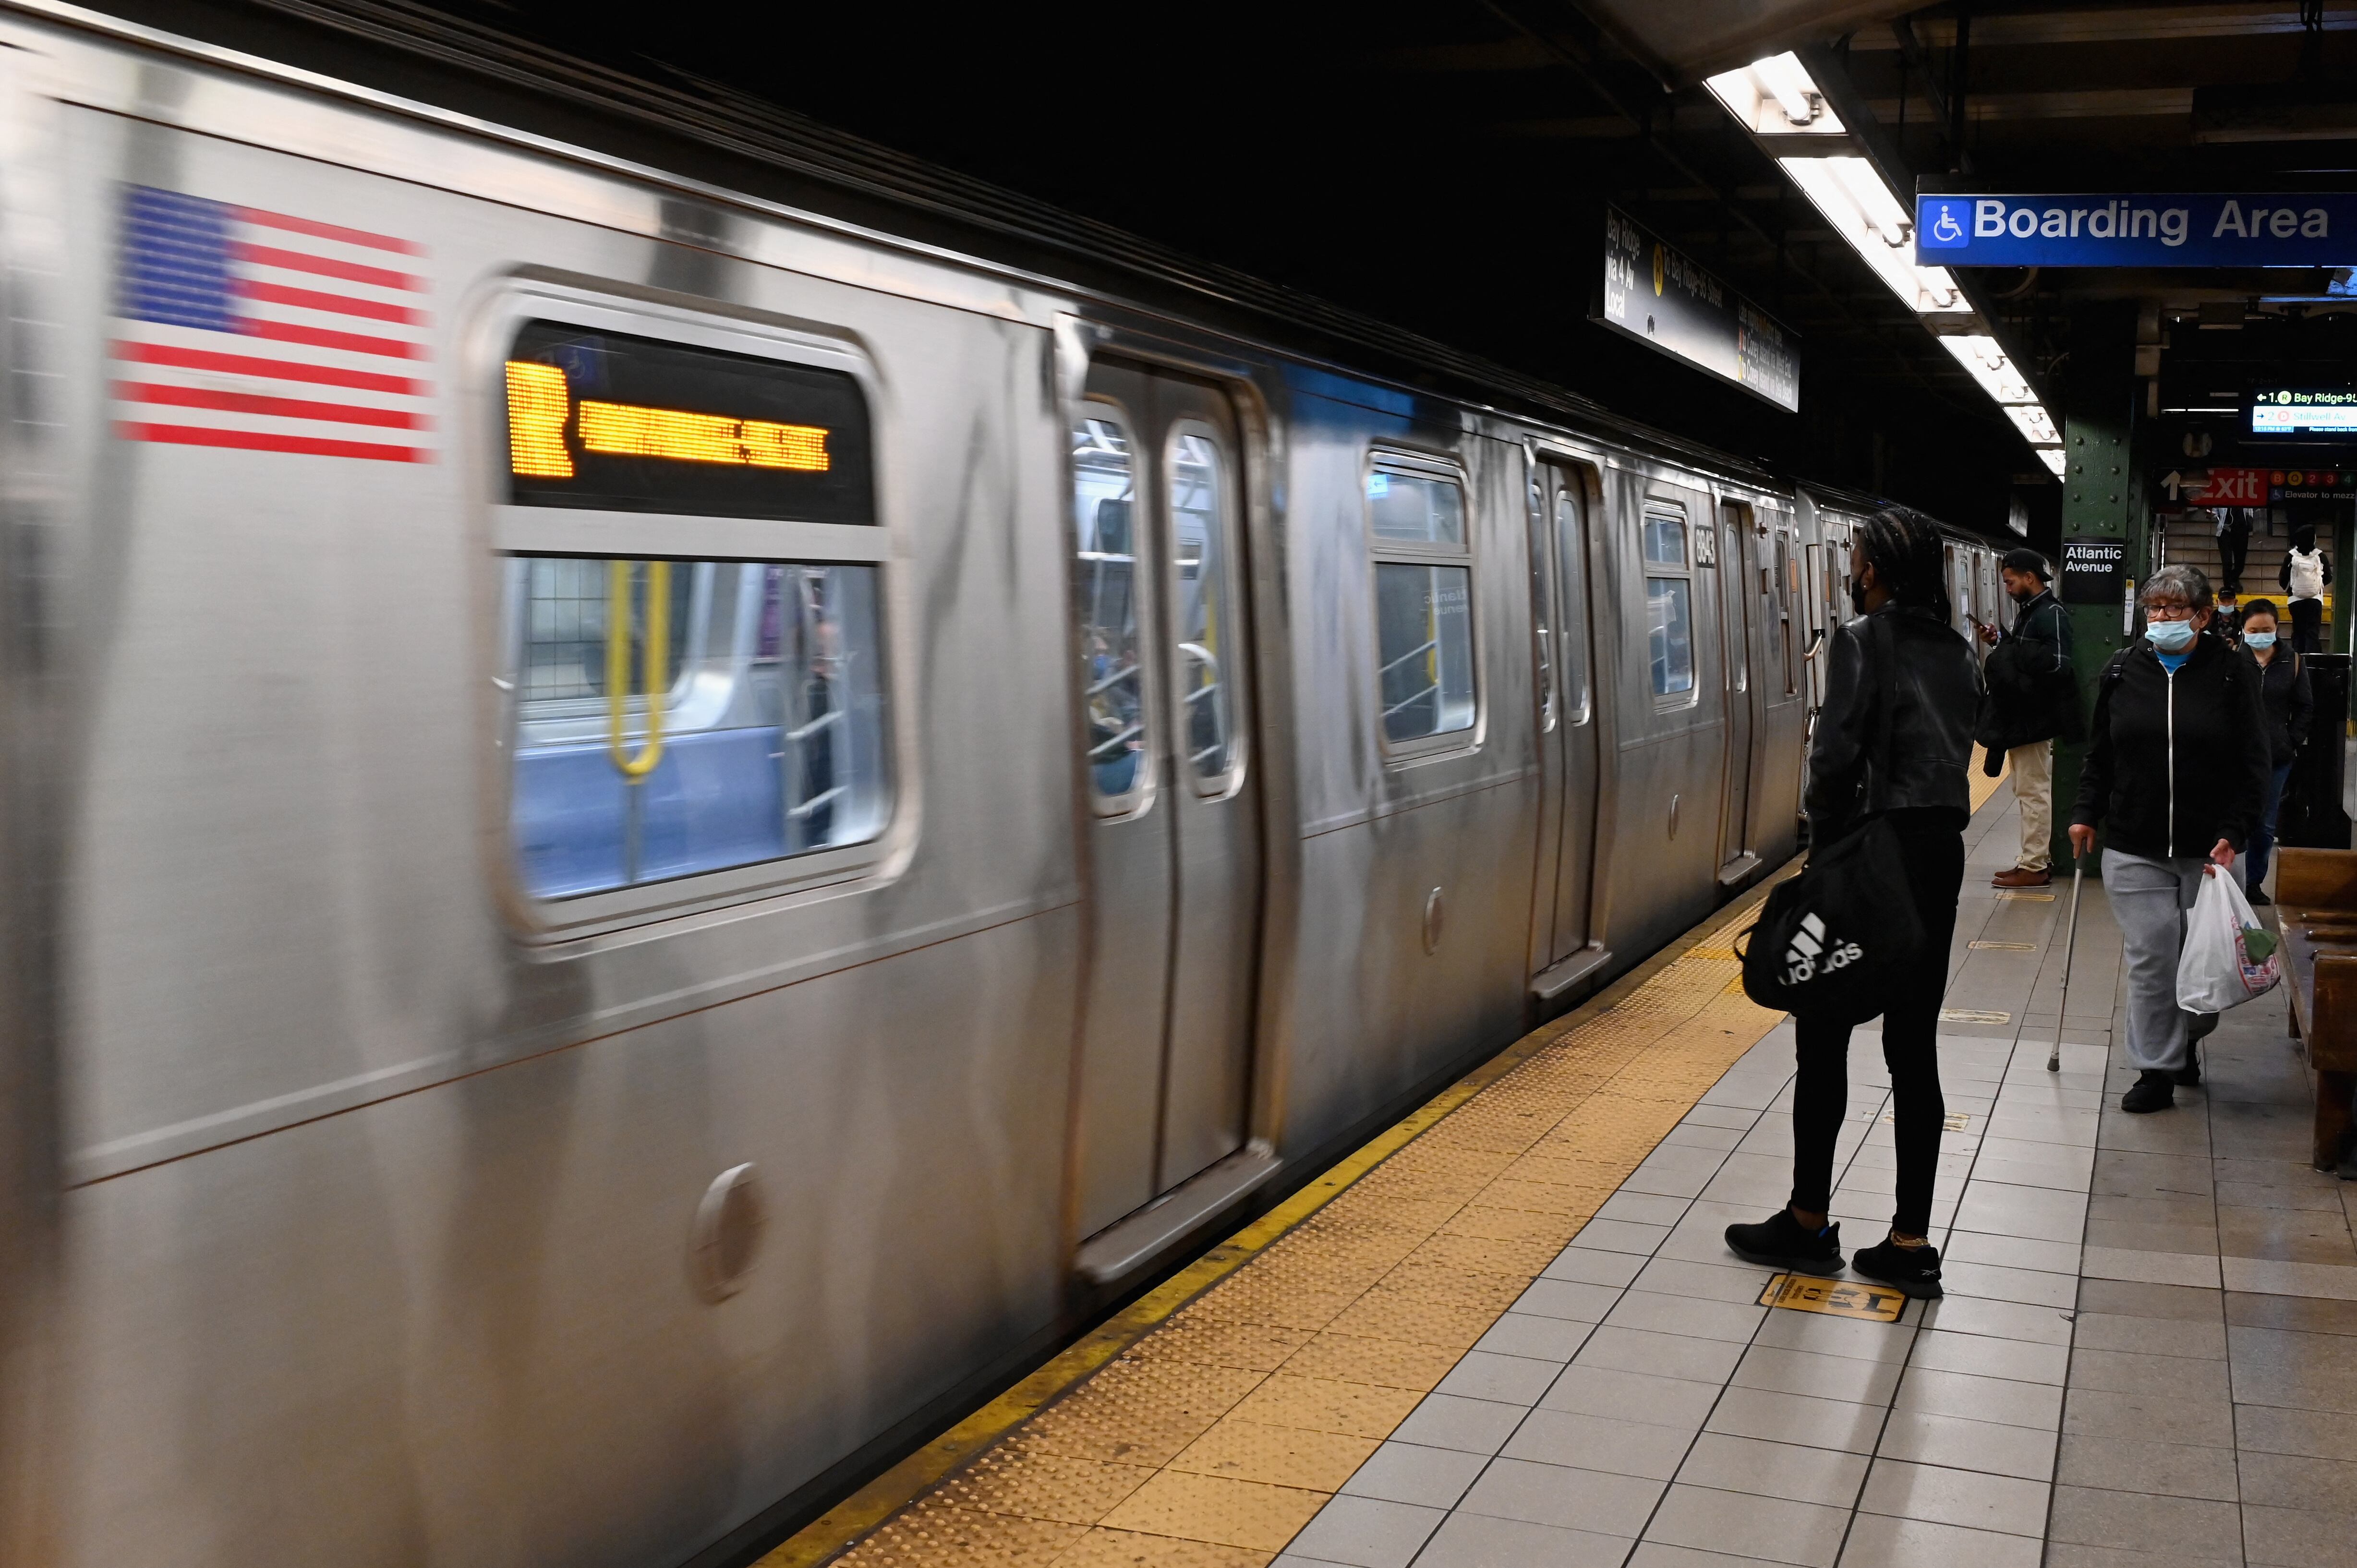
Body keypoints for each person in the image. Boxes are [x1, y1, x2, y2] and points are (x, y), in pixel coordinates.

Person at [1727, 507, 1982, 1300]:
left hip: (1868, 855)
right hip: (1935, 856)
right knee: (1913, 1049)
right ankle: (1908, 1240)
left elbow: (1833, 755)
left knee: (1822, 1034)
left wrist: (1821, 848)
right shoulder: (1956, 649)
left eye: (1854, 555)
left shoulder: (1859, 639)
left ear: (1872, 569)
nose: (1850, 566)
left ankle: (1807, 1223)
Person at [2070, 565, 2269, 1113]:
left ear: (2203, 617)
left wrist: (2234, 830)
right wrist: (2086, 812)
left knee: (2202, 966)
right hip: (2134, 845)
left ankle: (2187, 1037)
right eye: (2153, 608)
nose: (2159, 618)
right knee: (2153, 958)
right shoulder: (2120, 671)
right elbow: (2100, 756)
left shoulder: (2232, 675)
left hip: (2209, 851)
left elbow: (2254, 763)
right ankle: (2154, 1069)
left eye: (2173, 609)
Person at [1974, 548, 2080, 888]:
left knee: (2032, 789)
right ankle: (2033, 858)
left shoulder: (2049, 613)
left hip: (2035, 716)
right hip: (2023, 715)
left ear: (2029, 578)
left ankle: (2034, 866)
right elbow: (2027, 654)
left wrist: (2014, 650)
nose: (2006, 588)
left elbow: (2058, 665)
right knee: (2024, 786)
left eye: (2009, 581)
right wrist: (2002, 640)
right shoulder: (2031, 612)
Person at [2237, 598, 2311, 904]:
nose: (2260, 635)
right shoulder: (2231, 659)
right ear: (2243, 629)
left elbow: (2305, 707)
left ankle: (2253, 882)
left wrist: (2290, 740)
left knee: (2265, 825)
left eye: (2266, 629)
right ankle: (2229, 881)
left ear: (2277, 628)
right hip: (2237, 757)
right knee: (2235, 820)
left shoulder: (2292, 661)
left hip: (2276, 758)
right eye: (2253, 629)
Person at [2282, 523, 2332, 654]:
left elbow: (2282, 579)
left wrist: (2292, 590)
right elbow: (2328, 577)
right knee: (2312, 632)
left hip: (2295, 600)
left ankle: (2297, 662)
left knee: (2298, 632)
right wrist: (2316, 586)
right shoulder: (2320, 556)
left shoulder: (2291, 556)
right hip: (2315, 600)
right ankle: (2312, 664)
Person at [2214, 507, 2253, 595]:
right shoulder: (2223, 496)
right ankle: (2227, 587)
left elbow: (2250, 509)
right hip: (2224, 530)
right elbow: (2214, 510)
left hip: (2241, 529)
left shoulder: (2243, 495)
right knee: (2227, 562)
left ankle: (2234, 579)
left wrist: (2250, 518)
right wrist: (2216, 517)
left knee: (2240, 561)